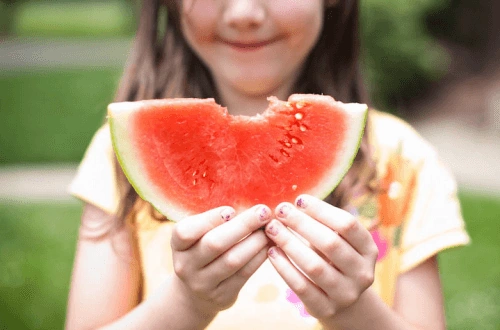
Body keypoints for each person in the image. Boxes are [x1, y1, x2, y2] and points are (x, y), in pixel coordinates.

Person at [65, 1, 470, 329]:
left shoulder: (404, 161)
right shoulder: (115, 155)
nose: (243, 12)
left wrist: (351, 312)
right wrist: (188, 303)